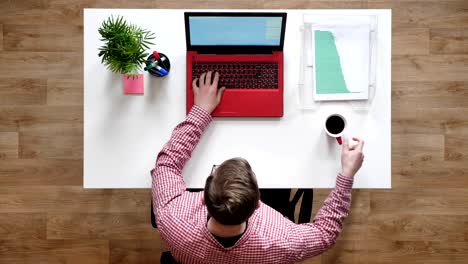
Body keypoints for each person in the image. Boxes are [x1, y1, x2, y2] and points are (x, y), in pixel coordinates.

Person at [152, 71, 365, 264]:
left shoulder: (173, 222)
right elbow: (325, 234)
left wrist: (200, 111)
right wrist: (347, 174)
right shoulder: (281, 241)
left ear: (203, 197)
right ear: (258, 204)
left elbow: (167, 163)